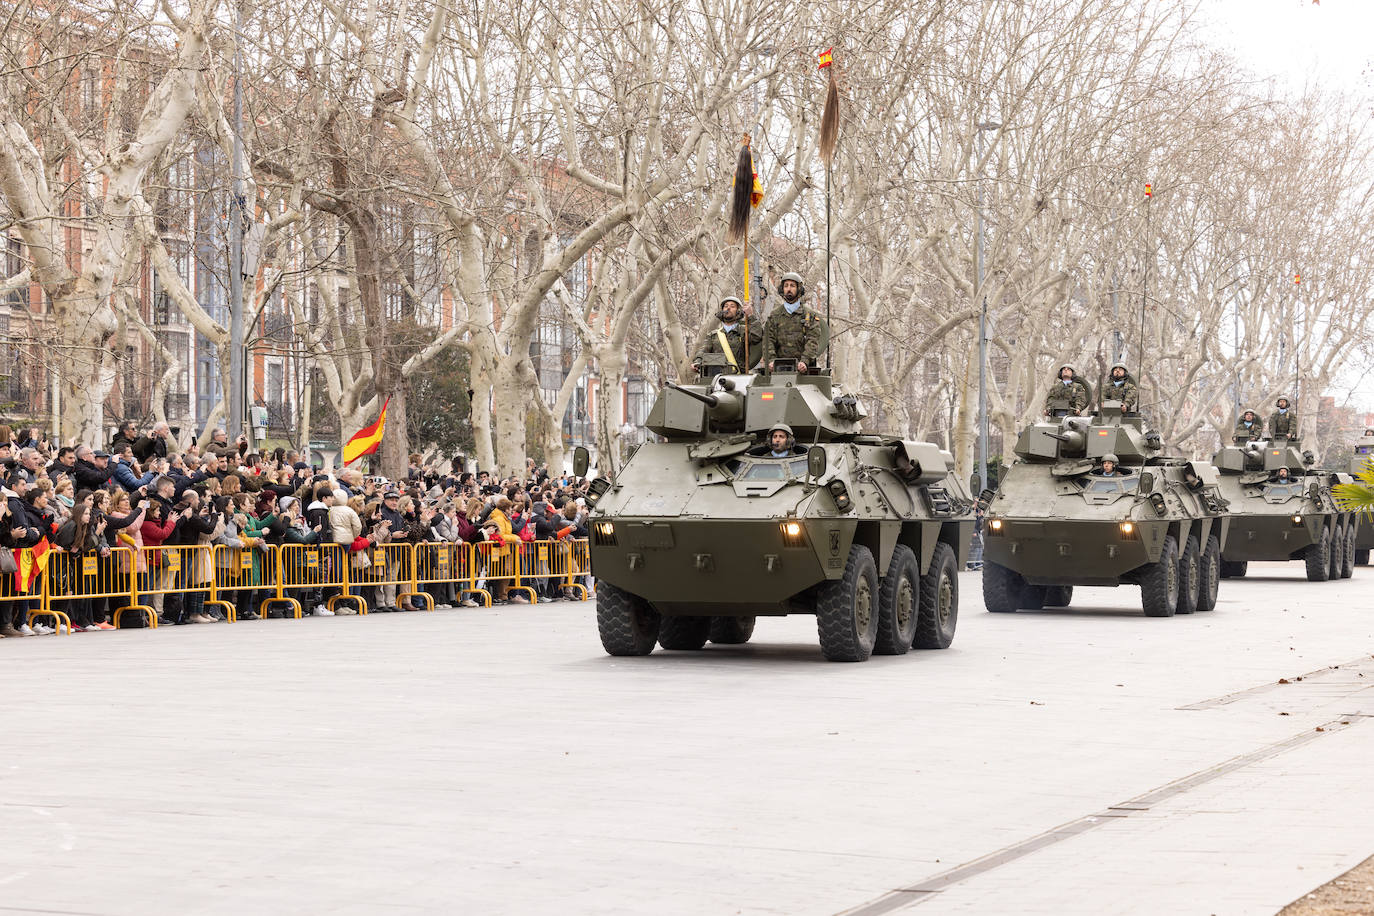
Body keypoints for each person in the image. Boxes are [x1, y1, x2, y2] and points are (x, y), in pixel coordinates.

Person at [761, 273, 825, 373]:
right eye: (786, 286)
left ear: (799, 289)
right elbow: (768, 340)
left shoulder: (809, 315)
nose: (789, 289)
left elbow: (813, 340)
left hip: (804, 370)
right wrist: (771, 361)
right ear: (782, 289)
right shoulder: (775, 315)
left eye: (792, 286)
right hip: (778, 369)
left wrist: (805, 361)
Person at [693, 296, 763, 374]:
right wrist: (697, 361)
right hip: (718, 378)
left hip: (739, 377)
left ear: (738, 311)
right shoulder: (714, 335)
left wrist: (750, 316)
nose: (728, 308)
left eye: (732, 306)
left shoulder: (744, 331)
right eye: (726, 306)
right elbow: (703, 350)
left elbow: (756, 337)